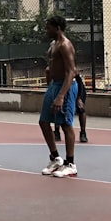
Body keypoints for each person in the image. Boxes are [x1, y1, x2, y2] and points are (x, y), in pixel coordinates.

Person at [39, 15, 79, 178]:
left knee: (65, 125)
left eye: (48, 27)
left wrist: (62, 95)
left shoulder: (65, 45)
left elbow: (71, 71)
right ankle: (55, 158)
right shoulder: (53, 44)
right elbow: (52, 66)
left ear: (58, 28)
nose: (46, 30)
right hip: (54, 85)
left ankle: (70, 164)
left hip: (66, 86)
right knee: (43, 121)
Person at [54, 74, 88, 143]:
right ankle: (56, 132)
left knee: (80, 108)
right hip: (62, 87)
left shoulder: (71, 69)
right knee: (58, 108)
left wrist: (79, 98)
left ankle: (83, 133)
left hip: (76, 87)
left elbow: (79, 82)